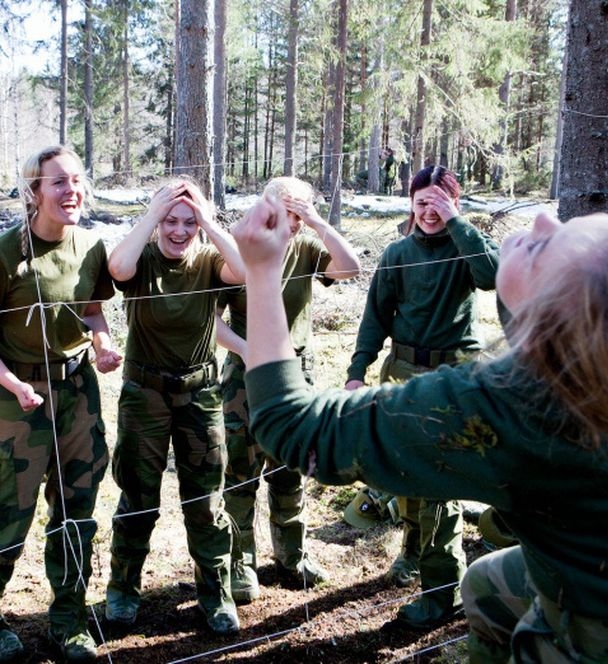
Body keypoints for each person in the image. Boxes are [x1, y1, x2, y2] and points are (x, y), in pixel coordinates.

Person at [231, 97, 608, 662]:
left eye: (549, 243)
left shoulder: (510, 407)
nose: (545, 217)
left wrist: (261, 271)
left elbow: (294, 427)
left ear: (548, 322)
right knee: (484, 584)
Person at [344, 164, 499, 630]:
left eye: (439, 201)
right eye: (421, 202)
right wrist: (357, 372)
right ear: (410, 204)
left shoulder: (466, 249)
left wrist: (457, 223)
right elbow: (375, 318)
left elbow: (492, 277)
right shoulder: (396, 254)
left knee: (442, 486)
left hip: (455, 378)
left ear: (454, 202)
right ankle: (412, 551)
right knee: (406, 474)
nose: (429, 211)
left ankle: (438, 594)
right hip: (403, 375)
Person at [105, 178, 245, 635]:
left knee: (205, 502)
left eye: (188, 222)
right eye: (171, 221)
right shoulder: (143, 258)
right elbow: (117, 270)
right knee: (139, 498)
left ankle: (216, 593)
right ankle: (123, 590)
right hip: (144, 395)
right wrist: (149, 216)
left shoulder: (209, 261)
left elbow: (243, 271)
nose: (179, 231)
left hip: (200, 395)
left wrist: (207, 219)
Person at [0, 146, 122, 662]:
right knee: (9, 513)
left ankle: (69, 619)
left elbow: (92, 310)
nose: (71, 190)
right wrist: (13, 387)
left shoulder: (91, 246)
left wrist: (101, 342)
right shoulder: (7, 251)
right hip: (18, 403)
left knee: (77, 511)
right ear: (34, 192)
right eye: (58, 182)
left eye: (76, 180)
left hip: (78, 397)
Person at [218, 176, 360, 603]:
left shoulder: (305, 245)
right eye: (287, 212)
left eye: (300, 213)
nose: (292, 222)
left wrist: (319, 223)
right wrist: (247, 351)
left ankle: (291, 557)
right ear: (266, 208)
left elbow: (350, 268)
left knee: (293, 466)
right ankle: (240, 562)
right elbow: (213, 318)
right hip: (246, 371)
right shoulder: (241, 247)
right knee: (241, 472)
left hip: (300, 369)